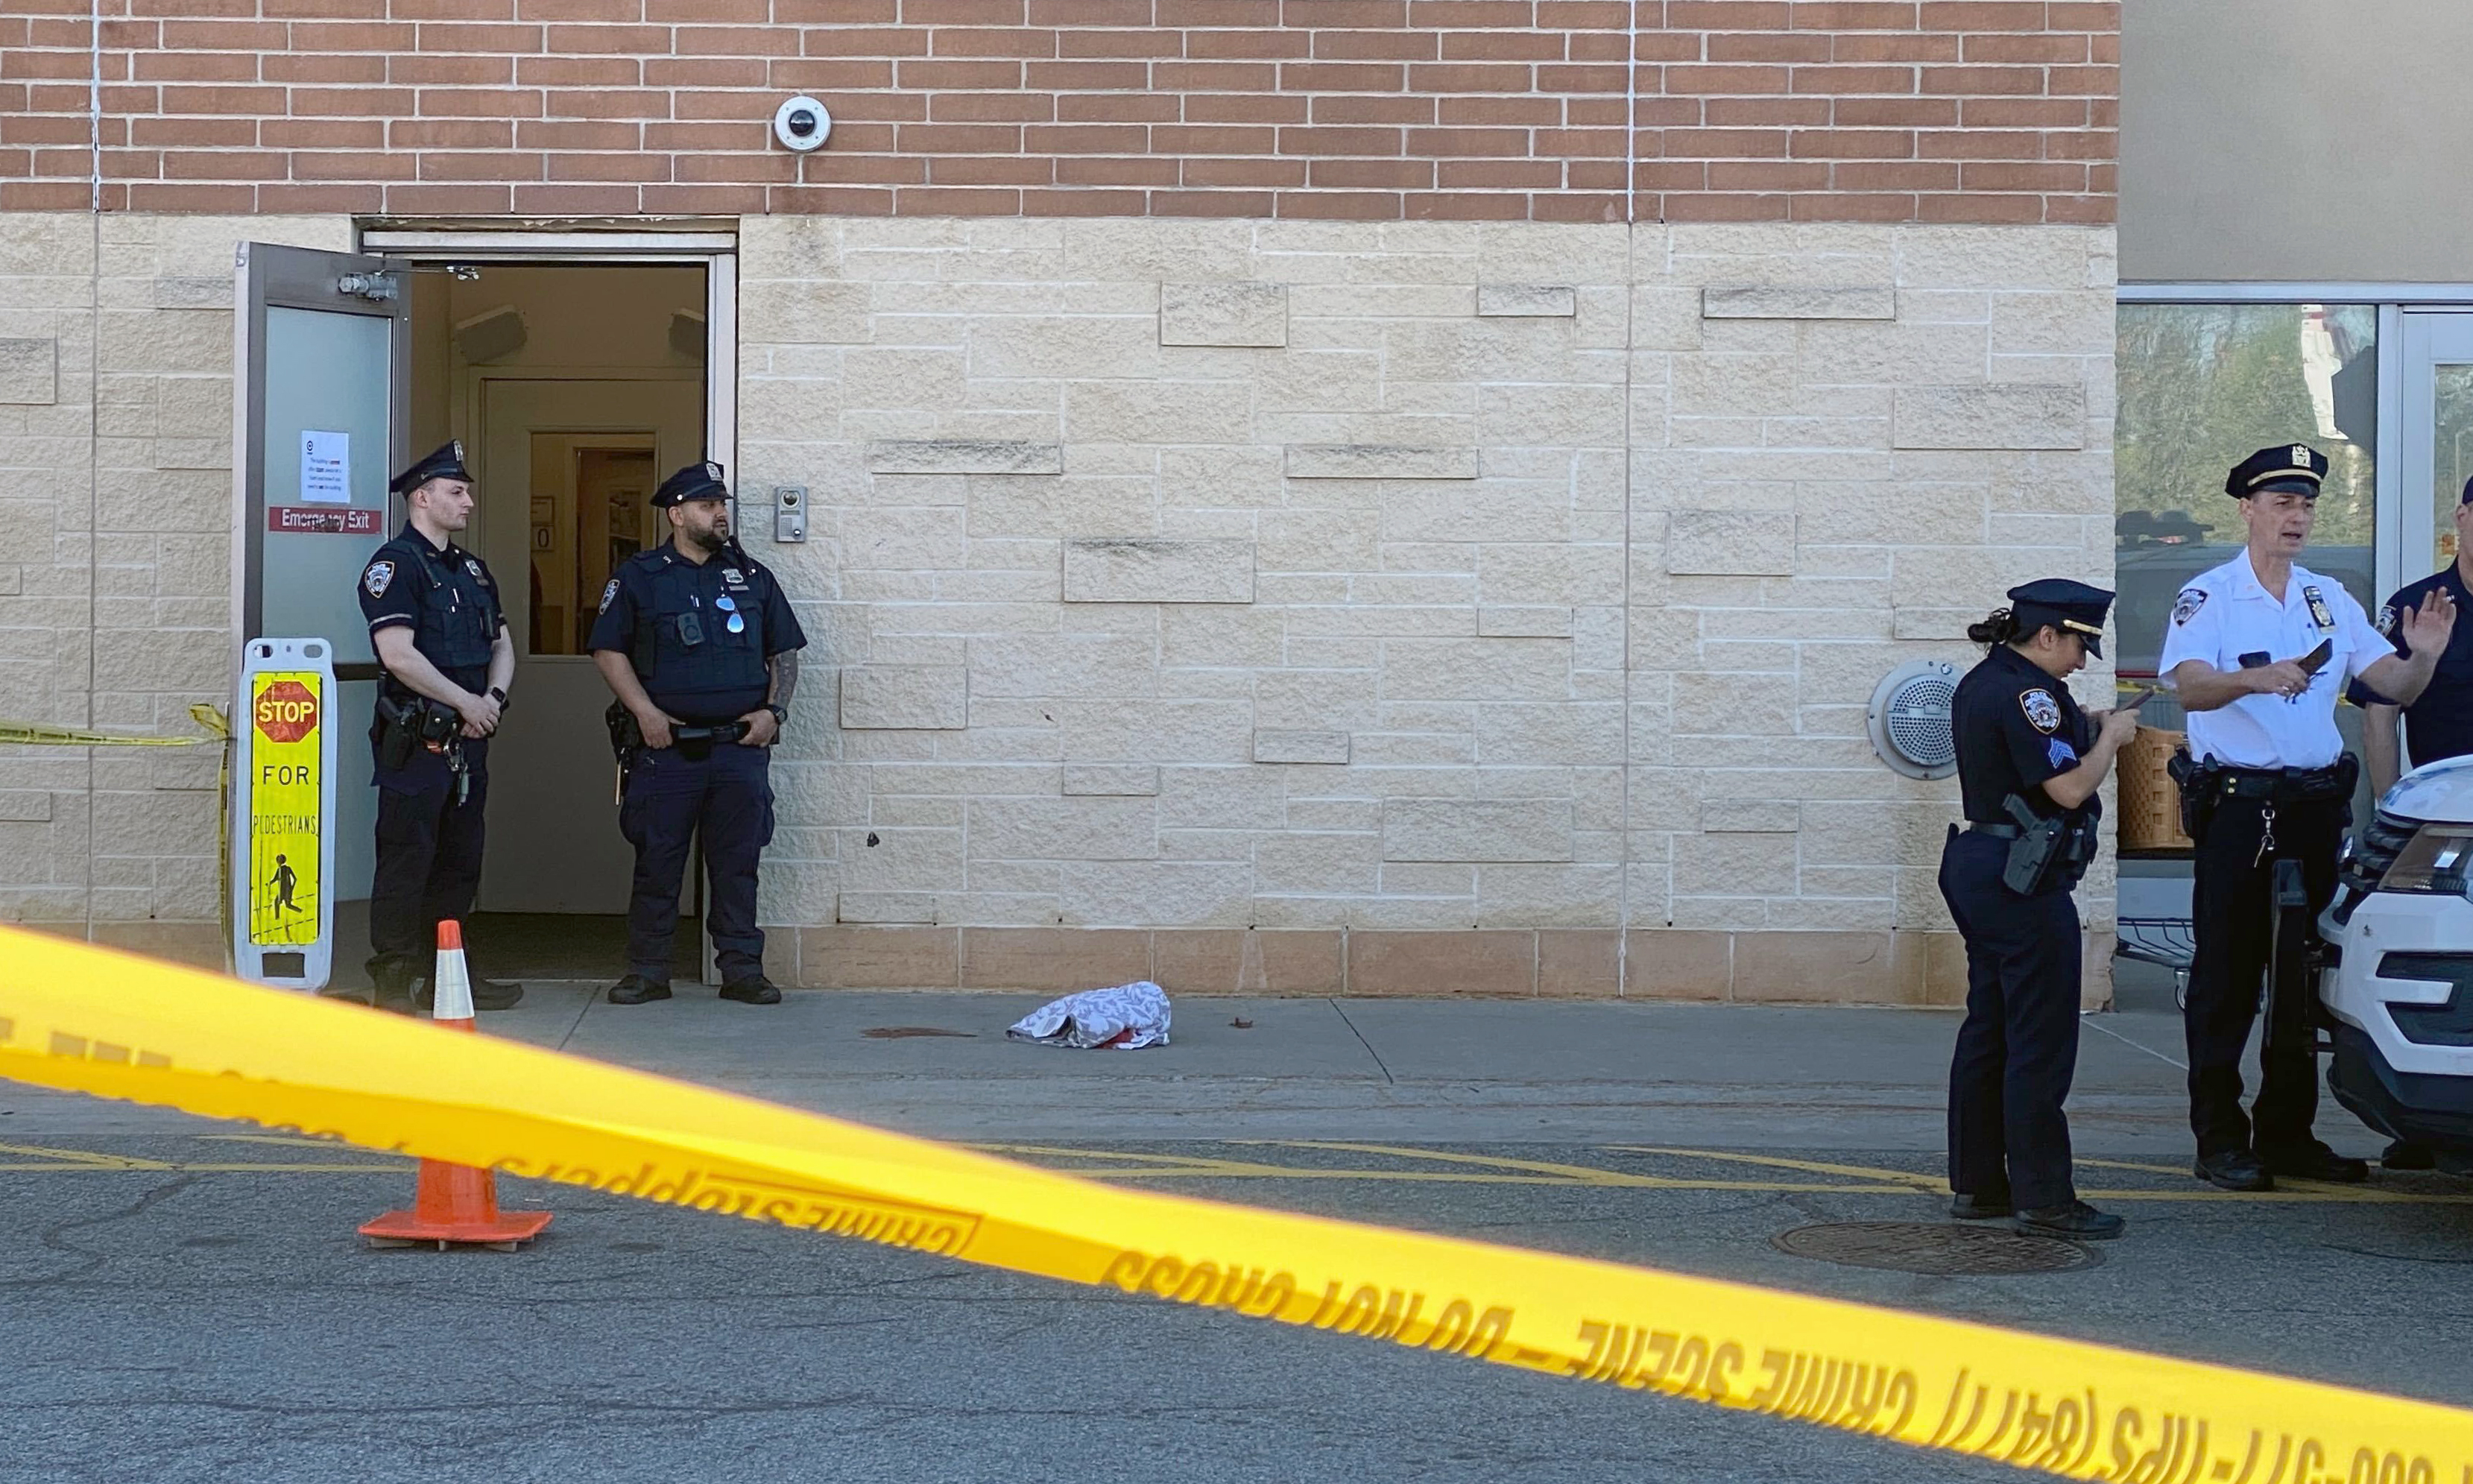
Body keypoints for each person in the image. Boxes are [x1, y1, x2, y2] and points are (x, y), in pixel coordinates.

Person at [2161, 443, 2456, 1190]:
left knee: (2299, 974)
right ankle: (2219, 1135)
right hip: (2240, 808)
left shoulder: (2328, 596)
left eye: (2307, 505)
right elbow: (2189, 687)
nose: (2297, 517)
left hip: (2312, 808)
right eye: (2283, 504)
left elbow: (2389, 681)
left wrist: (2422, 657)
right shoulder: (2211, 595)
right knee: (2228, 975)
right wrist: (2253, 677)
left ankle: (2287, 1132)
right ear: (2249, 510)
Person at [1941, 579, 2137, 1240]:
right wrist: (2110, 738)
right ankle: (2045, 1196)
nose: (2083, 662)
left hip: (1982, 865)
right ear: (2048, 635)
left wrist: (2079, 723)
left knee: (1990, 1028)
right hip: (2021, 881)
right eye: (2080, 645)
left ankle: (1979, 1183)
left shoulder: (1987, 680)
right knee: (2039, 1039)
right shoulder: (2030, 694)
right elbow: (2070, 786)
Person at [588, 461, 806, 1006]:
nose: (721, 514)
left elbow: (784, 650)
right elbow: (608, 650)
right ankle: (647, 970)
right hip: (668, 752)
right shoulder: (640, 577)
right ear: (677, 514)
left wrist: (774, 713)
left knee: (737, 865)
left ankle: (742, 970)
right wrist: (645, 713)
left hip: (739, 749)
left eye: (723, 504)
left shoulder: (752, 577)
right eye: (709, 506)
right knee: (658, 863)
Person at [354, 441, 524, 1016]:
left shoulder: (472, 571)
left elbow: (503, 645)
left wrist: (492, 700)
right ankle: (395, 981)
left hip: (469, 746)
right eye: (457, 491)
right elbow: (398, 654)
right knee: (407, 862)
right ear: (422, 497)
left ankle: (450, 976)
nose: (469, 501)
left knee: (459, 864)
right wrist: (466, 703)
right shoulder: (394, 566)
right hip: (419, 746)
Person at [2343, 476, 2473, 1168]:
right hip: (2443, 832)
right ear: (2461, 518)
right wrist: (2391, 808)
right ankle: (2422, 1127)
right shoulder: (2420, 607)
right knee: (2437, 978)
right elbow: (2379, 709)